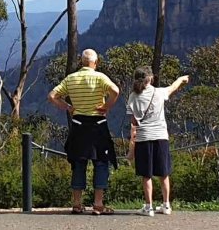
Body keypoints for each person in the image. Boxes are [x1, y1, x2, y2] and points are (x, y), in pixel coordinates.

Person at [49, 49, 121, 215]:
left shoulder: (71, 78)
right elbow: (115, 91)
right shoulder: (100, 77)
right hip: (98, 125)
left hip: (79, 125)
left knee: (78, 162)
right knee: (101, 163)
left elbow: (52, 95)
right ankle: (98, 204)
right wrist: (106, 106)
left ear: (81, 62)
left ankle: (76, 203)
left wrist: (67, 107)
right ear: (95, 63)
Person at [127, 67, 190, 217]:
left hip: (143, 139)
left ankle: (148, 207)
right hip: (161, 137)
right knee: (163, 173)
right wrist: (181, 79)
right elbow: (173, 87)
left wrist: (131, 148)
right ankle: (166, 205)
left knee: (146, 175)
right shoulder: (159, 92)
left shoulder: (133, 96)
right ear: (150, 78)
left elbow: (134, 123)